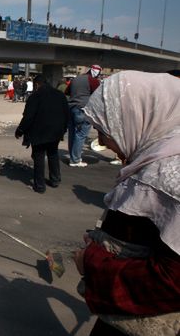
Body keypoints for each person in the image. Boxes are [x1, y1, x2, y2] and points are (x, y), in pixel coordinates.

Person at [74, 71, 180, 336]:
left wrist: (92, 261)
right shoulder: (152, 160)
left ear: (134, 119)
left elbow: (173, 280)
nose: (100, 141)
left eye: (104, 130)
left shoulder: (167, 177)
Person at [15, 75, 69, 193]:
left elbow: (28, 117)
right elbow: (67, 114)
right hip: (55, 132)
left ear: (37, 84)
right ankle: (55, 180)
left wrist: (20, 130)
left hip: (39, 132)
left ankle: (39, 186)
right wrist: (63, 130)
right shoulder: (60, 95)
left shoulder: (35, 96)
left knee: (39, 157)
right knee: (53, 154)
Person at [65, 65, 101, 167]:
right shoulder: (93, 80)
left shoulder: (76, 78)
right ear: (97, 73)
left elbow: (67, 92)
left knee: (72, 134)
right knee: (80, 135)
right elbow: (98, 95)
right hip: (83, 109)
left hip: (71, 108)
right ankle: (75, 160)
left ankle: (73, 158)